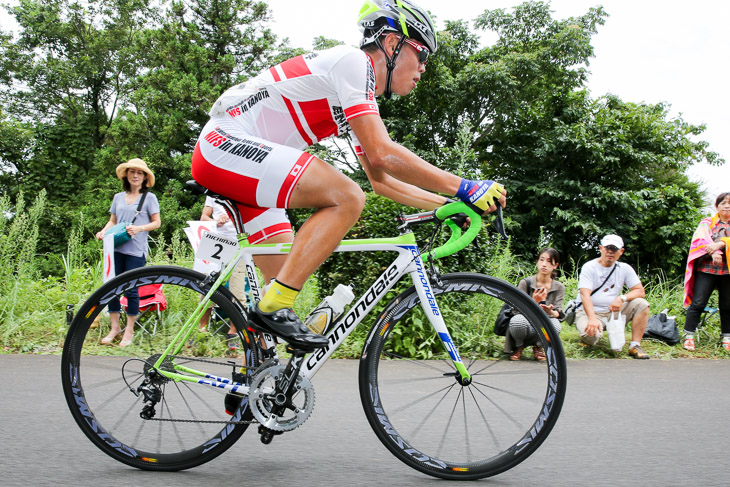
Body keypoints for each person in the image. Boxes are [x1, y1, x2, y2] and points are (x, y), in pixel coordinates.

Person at [190, 0, 507, 351]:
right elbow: (383, 152)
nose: (423, 69)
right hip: (224, 145)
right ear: (392, 45)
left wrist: (448, 205)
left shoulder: (353, 96)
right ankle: (272, 309)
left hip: (250, 174)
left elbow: (381, 181)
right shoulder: (352, 62)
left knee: (277, 297)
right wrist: (466, 187)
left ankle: (253, 391)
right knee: (346, 197)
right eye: (421, 55)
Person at [196, 196, 291, 351]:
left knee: (238, 291)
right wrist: (216, 221)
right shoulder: (212, 193)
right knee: (206, 289)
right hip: (216, 242)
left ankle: (233, 333)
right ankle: (202, 330)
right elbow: (203, 217)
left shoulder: (239, 189)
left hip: (238, 244)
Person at [95, 158, 161, 347]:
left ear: (145, 177)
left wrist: (139, 229)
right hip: (115, 248)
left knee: (132, 290)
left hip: (135, 250)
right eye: (132, 172)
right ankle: (114, 328)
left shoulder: (149, 198)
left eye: (139, 173)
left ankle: (129, 330)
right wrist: (103, 232)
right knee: (112, 288)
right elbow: (113, 221)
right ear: (126, 175)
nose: (135, 175)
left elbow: (157, 223)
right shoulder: (118, 197)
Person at [574, 234, 651, 359]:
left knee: (642, 304)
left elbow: (640, 291)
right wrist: (592, 318)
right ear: (600, 248)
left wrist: (622, 298)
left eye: (614, 249)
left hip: (612, 310)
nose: (610, 252)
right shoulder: (589, 267)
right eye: (607, 248)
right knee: (592, 336)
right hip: (589, 311)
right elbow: (585, 294)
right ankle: (587, 337)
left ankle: (635, 345)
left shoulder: (624, 268)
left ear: (621, 252)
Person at [681, 192, 730, 351]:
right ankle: (689, 336)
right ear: (717, 206)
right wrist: (714, 251)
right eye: (724, 203)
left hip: (727, 272)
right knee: (698, 303)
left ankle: (727, 337)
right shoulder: (707, 223)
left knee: (727, 305)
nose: (727, 206)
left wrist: (720, 244)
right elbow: (700, 240)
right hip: (706, 269)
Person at [505, 248, 565, 361]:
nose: (544, 264)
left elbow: (558, 312)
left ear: (555, 265)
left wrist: (550, 311)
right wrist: (534, 301)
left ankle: (539, 347)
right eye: (541, 260)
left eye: (548, 261)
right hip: (525, 324)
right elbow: (516, 310)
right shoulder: (525, 283)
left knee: (556, 325)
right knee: (517, 320)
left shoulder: (559, 287)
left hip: (543, 326)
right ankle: (518, 346)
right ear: (537, 261)